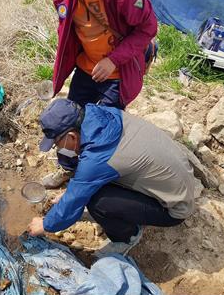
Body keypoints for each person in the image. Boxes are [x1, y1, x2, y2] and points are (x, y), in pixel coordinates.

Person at [27, 99, 196, 254]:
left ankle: (128, 236)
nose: (58, 149)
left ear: (72, 136)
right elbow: (89, 177)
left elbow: (77, 196)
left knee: (96, 201)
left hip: (174, 208)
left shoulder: (97, 159)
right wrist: (74, 190)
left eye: (57, 144)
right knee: (89, 188)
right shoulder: (102, 115)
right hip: (177, 180)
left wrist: (45, 224)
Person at [46, 0, 158, 110]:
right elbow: (67, 28)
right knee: (73, 119)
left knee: (104, 125)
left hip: (118, 73)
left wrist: (113, 60)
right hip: (86, 67)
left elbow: (147, 28)